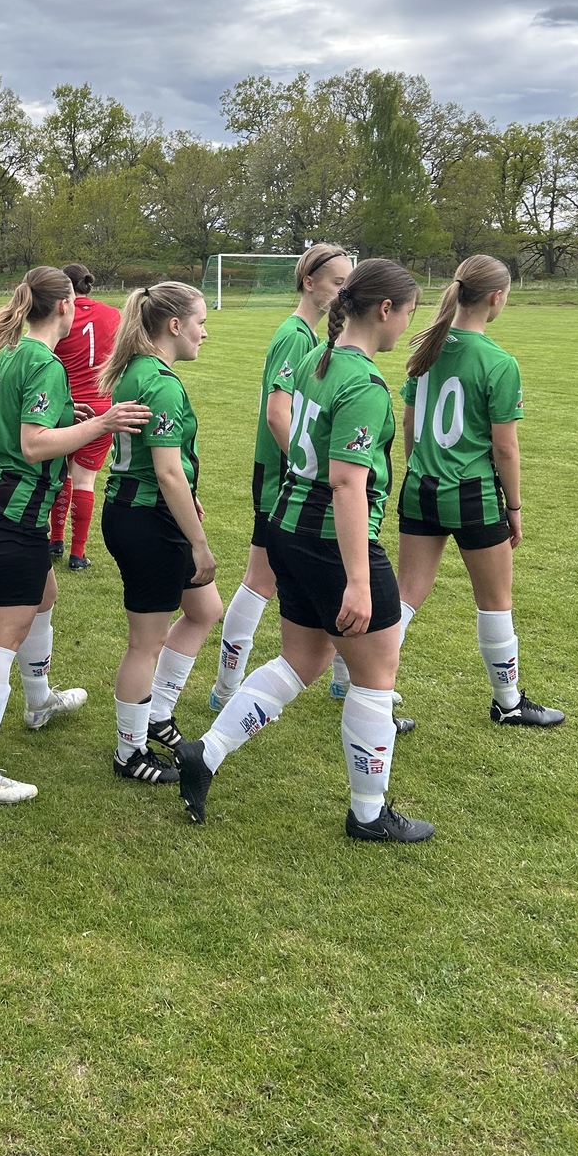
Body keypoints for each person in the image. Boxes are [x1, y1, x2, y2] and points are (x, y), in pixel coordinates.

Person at [176, 259, 435, 844]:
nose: (406, 327)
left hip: (288, 526)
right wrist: (359, 580)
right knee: (376, 675)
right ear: (385, 310)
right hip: (327, 540)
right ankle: (368, 814)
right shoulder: (362, 383)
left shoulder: (321, 357)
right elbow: (346, 484)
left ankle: (205, 753)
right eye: (408, 313)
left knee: (303, 659)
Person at [0, 267, 150, 804]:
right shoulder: (42, 360)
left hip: (4, 506)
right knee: (1, 639)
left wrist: (68, 413)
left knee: (45, 595)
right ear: (65, 305)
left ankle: (38, 701)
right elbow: (34, 444)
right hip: (11, 513)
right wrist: (101, 422)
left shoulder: (13, 353)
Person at [396, 255, 563, 728]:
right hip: (472, 494)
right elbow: (505, 449)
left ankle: (366, 684)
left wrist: (420, 471)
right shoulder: (498, 361)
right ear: (496, 297)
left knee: (405, 597)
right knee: (494, 600)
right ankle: (507, 703)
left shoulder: (426, 347)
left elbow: (409, 426)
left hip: (420, 487)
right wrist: (515, 508)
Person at [208, 244, 350, 710]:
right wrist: (309, 464)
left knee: (321, 572)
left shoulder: (309, 335)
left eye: (348, 283)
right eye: (336, 282)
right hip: (282, 474)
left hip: (287, 473)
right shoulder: (295, 336)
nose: (343, 291)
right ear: (309, 282)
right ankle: (226, 688)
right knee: (261, 580)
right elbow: (277, 414)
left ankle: (346, 679)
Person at [99, 283, 225, 783]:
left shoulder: (137, 370)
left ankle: (156, 712)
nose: (204, 333)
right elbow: (168, 472)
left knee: (205, 609)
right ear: (174, 325)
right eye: (200, 322)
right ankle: (129, 752)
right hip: (148, 520)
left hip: (143, 510)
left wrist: (187, 499)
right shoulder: (160, 381)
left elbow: (169, 473)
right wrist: (199, 543)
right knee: (144, 643)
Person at [47, 264, 121, 570]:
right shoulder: (113, 314)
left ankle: (55, 540)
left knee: (59, 473)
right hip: (101, 407)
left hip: (65, 406)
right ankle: (78, 553)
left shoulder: (60, 313)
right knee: (85, 479)